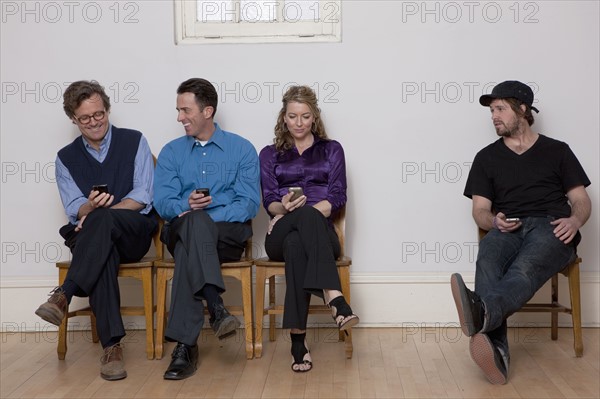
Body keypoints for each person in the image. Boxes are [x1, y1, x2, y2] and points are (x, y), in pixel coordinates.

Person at [452, 80, 592, 384]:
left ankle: (483, 312)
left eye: (500, 108)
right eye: (492, 111)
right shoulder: (486, 157)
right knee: (488, 256)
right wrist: (494, 222)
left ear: (523, 110)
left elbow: (581, 200)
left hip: (552, 225)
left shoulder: (557, 150)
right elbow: (479, 211)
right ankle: (496, 347)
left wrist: (575, 222)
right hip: (508, 225)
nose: (494, 116)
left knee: (525, 266)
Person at [35, 80, 157, 381]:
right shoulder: (65, 157)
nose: (94, 122)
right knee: (103, 252)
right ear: (74, 120)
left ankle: (65, 293)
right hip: (93, 238)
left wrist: (102, 212)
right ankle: (112, 348)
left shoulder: (135, 141)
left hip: (132, 231)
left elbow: (143, 195)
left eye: (98, 114)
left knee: (102, 222)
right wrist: (90, 207)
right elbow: (75, 207)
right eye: (85, 118)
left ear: (107, 109)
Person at [154, 78, 260, 380]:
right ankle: (216, 307)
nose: (179, 117)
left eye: (185, 110)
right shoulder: (172, 152)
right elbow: (162, 202)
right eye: (178, 110)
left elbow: (249, 203)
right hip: (180, 227)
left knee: (194, 238)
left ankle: (186, 346)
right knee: (191, 226)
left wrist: (206, 216)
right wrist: (184, 205)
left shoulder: (241, 149)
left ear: (207, 111)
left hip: (226, 234)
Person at [259, 85, 359, 373]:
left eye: (305, 116)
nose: (299, 123)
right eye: (292, 116)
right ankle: (334, 298)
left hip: (320, 234)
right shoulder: (269, 154)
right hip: (279, 228)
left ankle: (297, 342)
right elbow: (269, 201)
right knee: (291, 236)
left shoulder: (332, 149)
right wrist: (284, 209)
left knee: (296, 245)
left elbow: (338, 197)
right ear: (284, 117)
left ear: (314, 117)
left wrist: (305, 216)